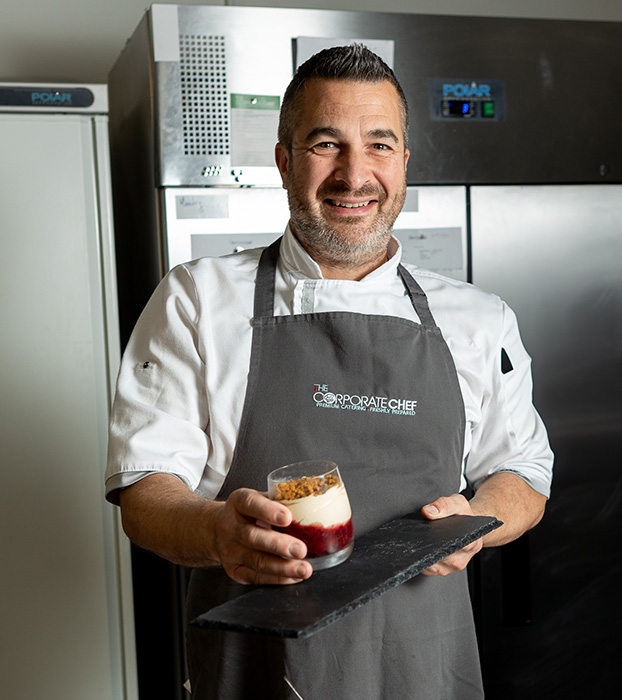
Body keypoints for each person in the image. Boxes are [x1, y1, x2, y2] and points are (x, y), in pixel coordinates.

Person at [106, 44, 554, 699]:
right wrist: (217, 533)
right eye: (325, 144)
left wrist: (477, 519)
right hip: (258, 673)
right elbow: (146, 493)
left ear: (404, 161)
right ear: (284, 161)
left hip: (425, 669)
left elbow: (523, 476)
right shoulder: (197, 299)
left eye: (379, 145)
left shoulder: (479, 319)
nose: (354, 174)